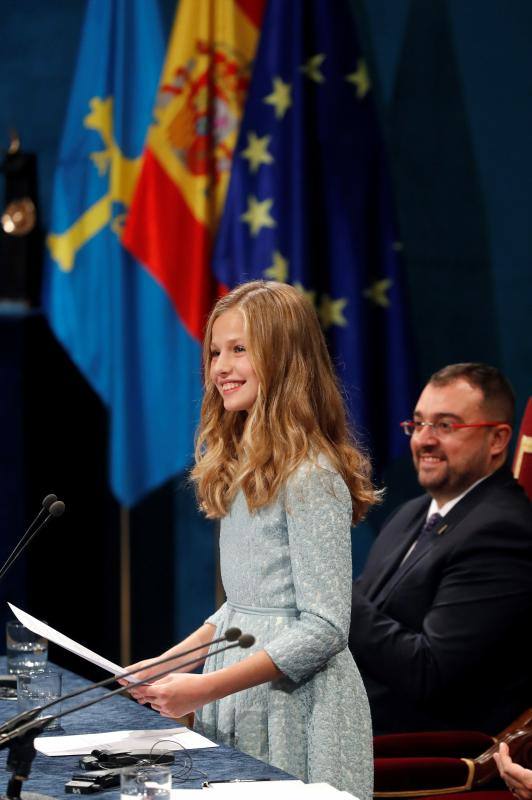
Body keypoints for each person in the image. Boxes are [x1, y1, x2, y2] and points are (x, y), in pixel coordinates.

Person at [122, 280, 379, 797]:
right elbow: (242, 609)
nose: (220, 367)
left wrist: (204, 686)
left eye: (240, 350)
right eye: (216, 351)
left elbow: (326, 627)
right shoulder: (242, 469)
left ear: (284, 359)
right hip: (241, 693)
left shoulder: (312, 474)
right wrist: (171, 663)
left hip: (298, 710)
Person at [349, 363, 532, 735]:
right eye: (418, 424)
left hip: (424, 751)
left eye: (445, 425)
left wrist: (330, 593)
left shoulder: (503, 532)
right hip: (353, 727)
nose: (424, 440)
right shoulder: (410, 513)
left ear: (497, 440)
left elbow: (428, 672)